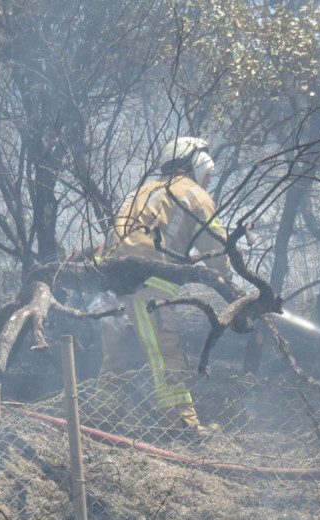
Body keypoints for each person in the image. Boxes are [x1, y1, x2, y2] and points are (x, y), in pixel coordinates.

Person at [97, 137, 230, 436]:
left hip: (111, 289)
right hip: (149, 289)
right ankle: (182, 426)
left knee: (118, 359)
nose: (210, 180)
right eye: (209, 173)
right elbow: (218, 252)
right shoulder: (195, 195)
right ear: (197, 163)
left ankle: (100, 423)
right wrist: (227, 279)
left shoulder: (141, 191)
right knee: (166, 356)